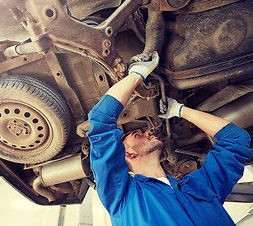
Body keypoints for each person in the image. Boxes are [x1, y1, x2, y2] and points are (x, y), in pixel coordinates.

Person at [86, 51, 251, 226]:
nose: (148, 132)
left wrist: (180, 110)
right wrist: (136, 75)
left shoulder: (199, 187)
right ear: (128, 154)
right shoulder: (122, 197)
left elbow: (235, 140)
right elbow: (101, 120)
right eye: (137, 135)